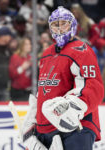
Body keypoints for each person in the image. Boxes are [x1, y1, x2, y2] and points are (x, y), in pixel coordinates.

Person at [21, 6, 104, 150]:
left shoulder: (81, 50)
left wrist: (71, 108)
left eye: (63, 24)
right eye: (55, 24)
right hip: (46, 128)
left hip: (75, 127)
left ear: (72, 25)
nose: (59, 28)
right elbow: (44, 90)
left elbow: (93, 86)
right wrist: (33, 121)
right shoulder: (47, 54)